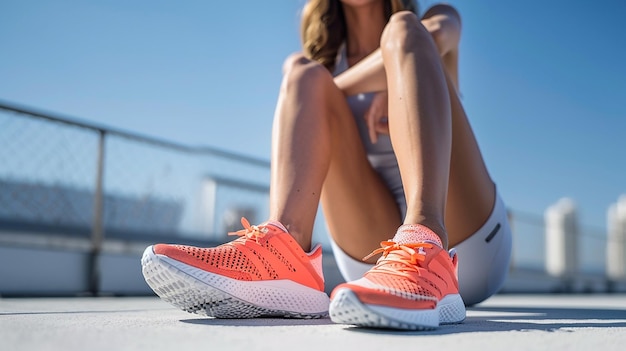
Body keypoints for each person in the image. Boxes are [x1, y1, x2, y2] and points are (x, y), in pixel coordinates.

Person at [141, 0, 512, 330]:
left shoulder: (434, 18)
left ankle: (424, 238)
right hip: (374, 257)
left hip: (468, 246)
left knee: (403, 31)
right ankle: (285, 256)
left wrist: (384, 75)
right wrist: (360, 80)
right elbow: (305, 78)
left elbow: (431, 34)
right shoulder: (323, 58)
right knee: (302, 73)